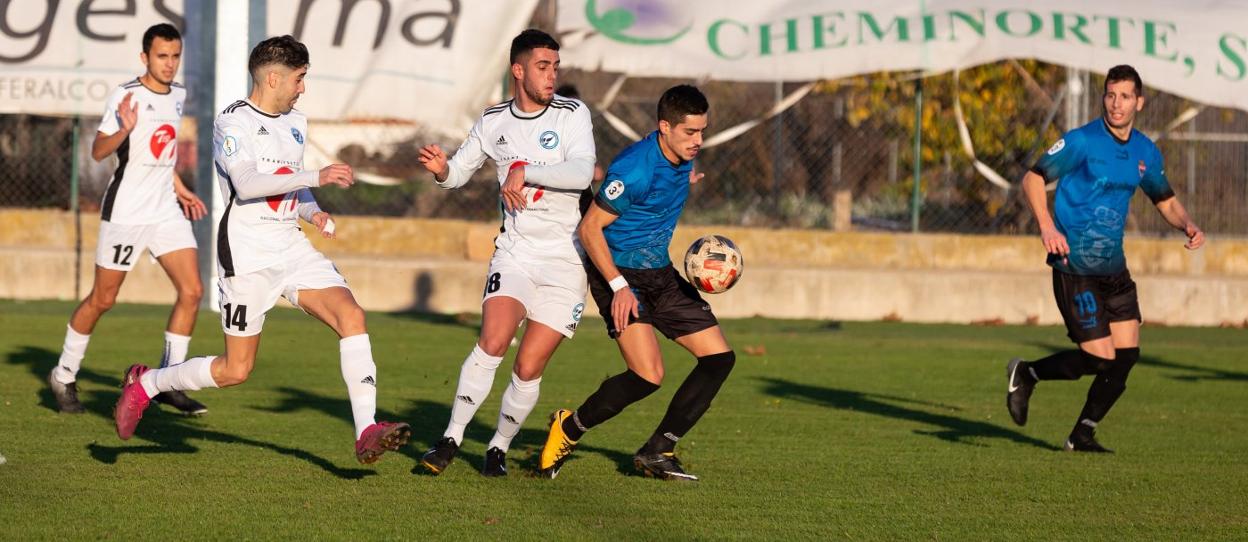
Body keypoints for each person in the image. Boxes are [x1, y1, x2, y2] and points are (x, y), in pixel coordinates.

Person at [112, 35, 410, 465]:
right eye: (299, 78)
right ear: (274, 77)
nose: (302, 88)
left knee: (352, 315)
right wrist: (315, 175)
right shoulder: (232, 122)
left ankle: (366, 430)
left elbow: (291, 184)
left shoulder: (296, 123)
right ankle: (147, 384)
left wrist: (314, 213)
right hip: (247, 253)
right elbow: (248, 184)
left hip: (291, 246)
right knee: (236, 370)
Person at [415, 29, 596, 477]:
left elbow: (579, 174)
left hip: (567, 260)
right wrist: (442, 170)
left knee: (528, 365)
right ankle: (451, 438)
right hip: (515, 252)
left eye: (555, 66)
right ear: (518, 70)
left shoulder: (572, 113)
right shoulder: (494, 119)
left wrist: (523, 169)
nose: (551, 75)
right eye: (542, 66)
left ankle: (497, 445)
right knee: (493, 341)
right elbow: (459, 172)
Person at [1007, 64, 1204, 452]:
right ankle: (1027, 373)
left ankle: (1082, 434)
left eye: (1125, 97)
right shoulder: (1081, 141)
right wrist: (1047, 226)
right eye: (1110, 95)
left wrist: (1188, 225)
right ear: (1104, 97)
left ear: (1139, 102)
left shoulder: (1145, 151)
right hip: (1074, 266)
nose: (1116, 104)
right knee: (1099, 358)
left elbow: (1164, 199)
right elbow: (1033, 178)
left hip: (1113, 269)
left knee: (1126, 356)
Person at [538, 84, 730, 482]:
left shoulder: (678, 159)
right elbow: (591, 228)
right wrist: (618, 286)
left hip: (659, 273)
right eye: (690, 133)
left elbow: (664, 185)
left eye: (702, 131)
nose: (699, 141)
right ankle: (568, 429)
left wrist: (684, 177)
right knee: (647, 376)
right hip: (620, 276)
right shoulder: (634, 169)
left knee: (718, 359)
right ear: (664, 127)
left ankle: (658, 449)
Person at [49, 23, 208, 416]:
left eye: (175, 57)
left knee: (192, 291)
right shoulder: (127, 96)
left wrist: (178, 186)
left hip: (165, 210)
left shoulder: (178, 96)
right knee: (104, 298)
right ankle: (64, 373)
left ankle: (169, 381)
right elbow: (99, 151)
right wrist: (124, 128)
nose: (169, 64)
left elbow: (161, 152)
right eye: (161, 56)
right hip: (126, 212)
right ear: (145, 57)